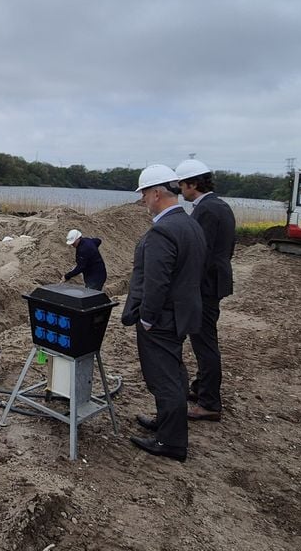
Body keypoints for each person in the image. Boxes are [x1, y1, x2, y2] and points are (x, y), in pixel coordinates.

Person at [121, 164, 206, 462]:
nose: (143, 199)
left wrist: (146, 318)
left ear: (157, 193)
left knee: (164, 377)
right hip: (182, 314)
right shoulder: (190, 224)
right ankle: (166, 421)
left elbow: (156, 282)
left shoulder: (163, 231)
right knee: (175, 371)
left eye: (144, 193)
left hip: (162, 318)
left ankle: (170, 442)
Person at [174, 159, 237, 423]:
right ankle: (201, 388)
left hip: (206, 285)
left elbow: (200, 253)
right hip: (214, 281)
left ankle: (209, 402)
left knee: (205, 343)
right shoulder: (219, 206)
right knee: (204, 338)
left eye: (182, 185)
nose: (181, 191)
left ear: (193, 184)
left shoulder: (207, 211)